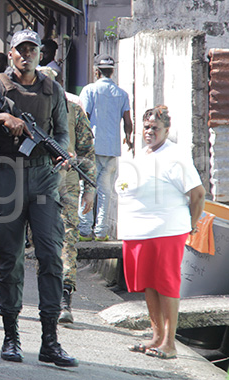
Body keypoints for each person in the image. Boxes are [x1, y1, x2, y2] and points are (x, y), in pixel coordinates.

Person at [0, 29, 78, 367]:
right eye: (20, 50)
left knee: (51, 256)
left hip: (43, 178)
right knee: (10, 259)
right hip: (6, 175)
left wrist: (62, 151)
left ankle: (50, 340)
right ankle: (11, 336)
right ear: (11, 54)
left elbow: (62, 129)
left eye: (31, 49)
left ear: (39, 53)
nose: (26, 55)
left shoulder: (53, 88)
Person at [118, 105, 205, 360]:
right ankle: (156, 336)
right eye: (146, 127)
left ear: (167, 130)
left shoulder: (175, 155)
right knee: (149, 285)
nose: (149, 131)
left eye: (155, 128)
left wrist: (192, 223)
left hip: (166, 230)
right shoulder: (143, 154)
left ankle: (170, 343)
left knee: (166, 285)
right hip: (140, 231)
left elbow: (198, 194)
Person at [37, 66, 96, 324]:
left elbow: (86, 150)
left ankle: (64, 297)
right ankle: (49, 295)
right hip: (36, 182)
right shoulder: (28, 109)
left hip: (66, 183)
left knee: (68, 236)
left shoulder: (73, 110)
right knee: (42, 240)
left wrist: (91, 189)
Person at [78, 54, 134, 241]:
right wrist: (129, 138)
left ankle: (84, 231)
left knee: (86, 188)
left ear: (96, 71)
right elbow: (128, 122)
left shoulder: (89, 90)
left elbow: (83, 117)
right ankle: (101, 232)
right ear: (112, 72)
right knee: (105, 191)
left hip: (91, 148)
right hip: (111, 149)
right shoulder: (121, 94)